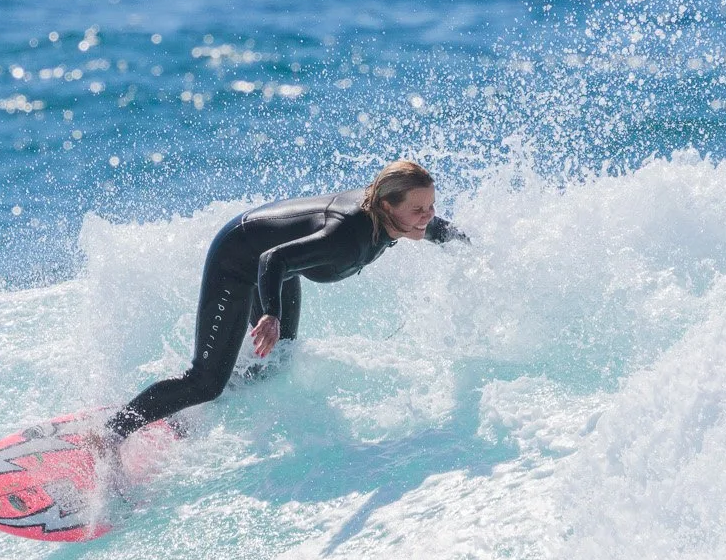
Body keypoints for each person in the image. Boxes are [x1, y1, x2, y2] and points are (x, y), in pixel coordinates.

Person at [106, 160, 465, 439]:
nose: (428, 216)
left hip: (280, 269)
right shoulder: (345, 236)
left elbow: (435, 229)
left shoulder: (396, 218)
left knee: (278, 359)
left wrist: (475, 247)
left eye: (431, 205)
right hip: (240, 258)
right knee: (205, 381)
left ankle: (184, 408)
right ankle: (111, 432)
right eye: (419, 209)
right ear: (387, 205)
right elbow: (271, 259)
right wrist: (271, 315)